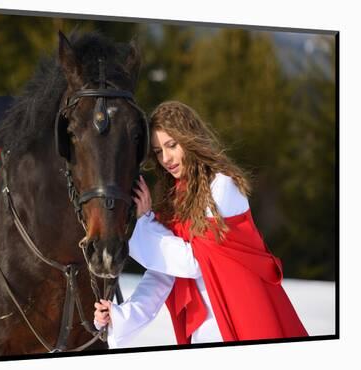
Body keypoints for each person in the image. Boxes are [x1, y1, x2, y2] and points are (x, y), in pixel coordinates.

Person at [93, 100, 308, 347]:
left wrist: (146, 223)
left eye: (171, 145)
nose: (166, 158)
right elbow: (163, 274)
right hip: (204, 331)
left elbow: (193, 262)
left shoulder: (223, 188)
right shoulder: (174, 198)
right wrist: (120, 317)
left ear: (189, 139)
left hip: (243, 320)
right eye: (158, 151)